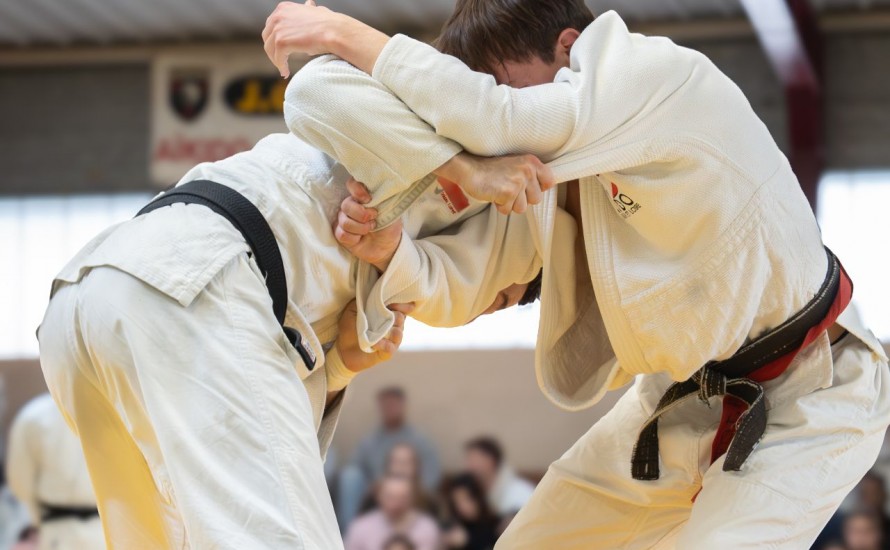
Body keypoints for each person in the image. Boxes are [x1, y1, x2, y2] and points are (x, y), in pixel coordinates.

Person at [262, 0, 890, 547]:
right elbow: (460, 281)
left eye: (507, 88)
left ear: (570, 48)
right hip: (685, 395)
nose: (495, 136)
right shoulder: (540, 175)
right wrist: (397, 246)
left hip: (815, 390)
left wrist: (339, 29)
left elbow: (494, 117)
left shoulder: (658, 75)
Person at [37, 123, 547, 547]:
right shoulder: (452, 136)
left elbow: (263, 421)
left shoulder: (405, 253)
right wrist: (468, 169)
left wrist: (341, 365)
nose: (481, 309)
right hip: (189, 284)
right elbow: (318, 85)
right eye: (499, 298)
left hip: (87, 300)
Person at [6, 393, 104, 550]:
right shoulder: (120, 411)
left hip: (60, 532)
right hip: (69, 530)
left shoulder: (34, 415)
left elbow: (21, 485)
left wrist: (36, 520)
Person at [339, 388, 440, 527]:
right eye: (386, 405)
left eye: (394, 405)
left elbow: (432, 474)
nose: (390, 409)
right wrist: (376, 488)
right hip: (376, 495)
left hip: (411, 494)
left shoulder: (418, 439)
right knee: (349, 475)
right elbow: (355, 466)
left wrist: (412, 490)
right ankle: (349, 533)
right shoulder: (370, 440)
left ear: (403, 406)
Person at [344, 475, 440, 550]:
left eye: (402, 498)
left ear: (412, 499)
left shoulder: (427, 528)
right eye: (390, 497)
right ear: (379, 496)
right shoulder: (360, 527)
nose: (395, 504)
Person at [462, 438, 533, 519]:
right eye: (468, 460)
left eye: (473, 459)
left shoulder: (521, 492)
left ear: (491, 460)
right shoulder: (472, 490)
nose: (469, 466)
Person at [442, 473, 499, 550]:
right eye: (457, 502)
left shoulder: (495, 525)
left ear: (477, 497)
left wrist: (468, 541)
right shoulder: (455, 527)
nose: (462, 507)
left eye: (466, 499)